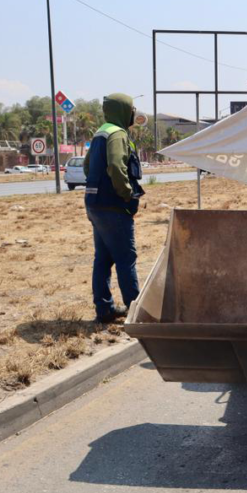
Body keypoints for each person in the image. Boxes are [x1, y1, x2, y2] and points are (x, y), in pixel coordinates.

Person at [83, 93, 145, 323]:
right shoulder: (117, 134)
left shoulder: (101, 131)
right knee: (126, 257)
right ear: (123, 110)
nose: (133, 114)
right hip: (114, 207)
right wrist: (126, 194)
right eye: (131, 109)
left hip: (95, 204)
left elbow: (88, 167)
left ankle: (104, 309)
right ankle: (136, 311)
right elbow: (117, 167)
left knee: (103, 258)